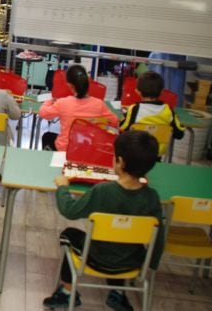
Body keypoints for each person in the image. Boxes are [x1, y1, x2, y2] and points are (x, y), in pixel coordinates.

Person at [43, 130, 164, 311]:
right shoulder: (152, 197)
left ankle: (68, 293)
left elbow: (69, 210)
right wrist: (150, 265)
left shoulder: (102, 191)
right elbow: (159, 238)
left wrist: (62, 188)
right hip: (132, 261)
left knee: (68, 235)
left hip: (96, 257)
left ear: (120, 161)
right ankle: (118, 292)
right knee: (123, 241)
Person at [39, 65, 119, 151]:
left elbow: (43, 113)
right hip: (88, 149)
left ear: (70, 86)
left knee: (47, 137)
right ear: (88, 81)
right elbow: (115, 121)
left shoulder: (63, 103)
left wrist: (50, 101)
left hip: (65, 149)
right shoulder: (99, 104)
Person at [120, 71, 185, 155]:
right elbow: (179, 134)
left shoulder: (135, 109)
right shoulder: (168, 110)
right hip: (157, 154)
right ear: (162, 92)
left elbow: (123, 128)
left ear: (138, 91)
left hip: (135, 154)